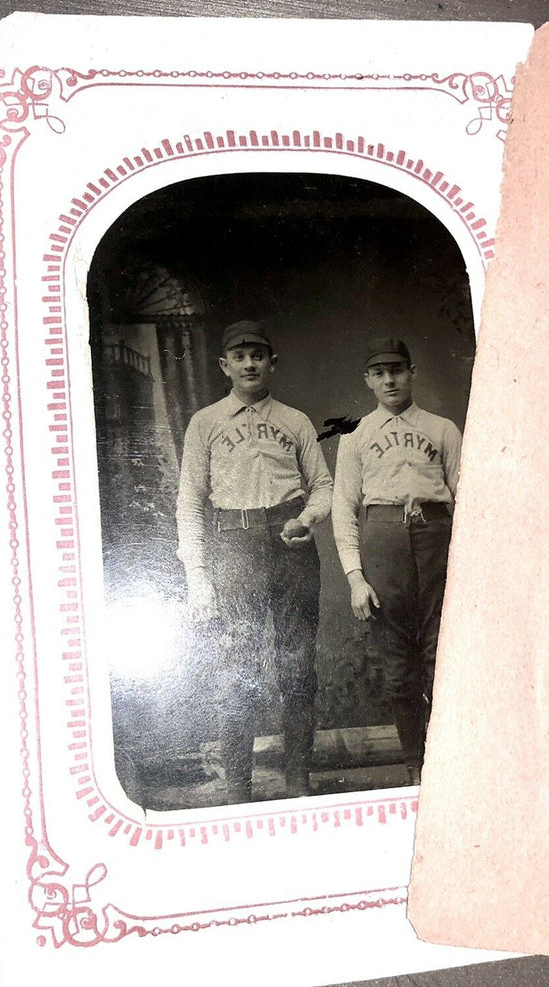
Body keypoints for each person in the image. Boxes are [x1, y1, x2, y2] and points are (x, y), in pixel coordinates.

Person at [176, 320, 332, 804]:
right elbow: (189, 501)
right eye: (239, 357)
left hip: (290, 544)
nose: (249, 364)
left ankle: (298, 779)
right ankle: (239, 788)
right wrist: (198, 579)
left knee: (297, 665)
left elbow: (324, 486)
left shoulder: (296, 420)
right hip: (234, 547)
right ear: (224, 366)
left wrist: (307, 518)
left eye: (258, 356)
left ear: (272, 363)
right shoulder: (205, 422)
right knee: (235, 666)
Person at [332, 338, 462, 784]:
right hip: (383, 541)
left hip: (437, 537)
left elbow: (469, 499)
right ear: (368, 380)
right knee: (397, 664)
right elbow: (344, 508)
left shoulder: (443, 428)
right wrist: (354, 577)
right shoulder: (356, 435)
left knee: (441, 654)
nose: (390, 380)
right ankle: (416, 765)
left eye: (398, 370)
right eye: (380, 373)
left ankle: (449, 762)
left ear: (413, 373)